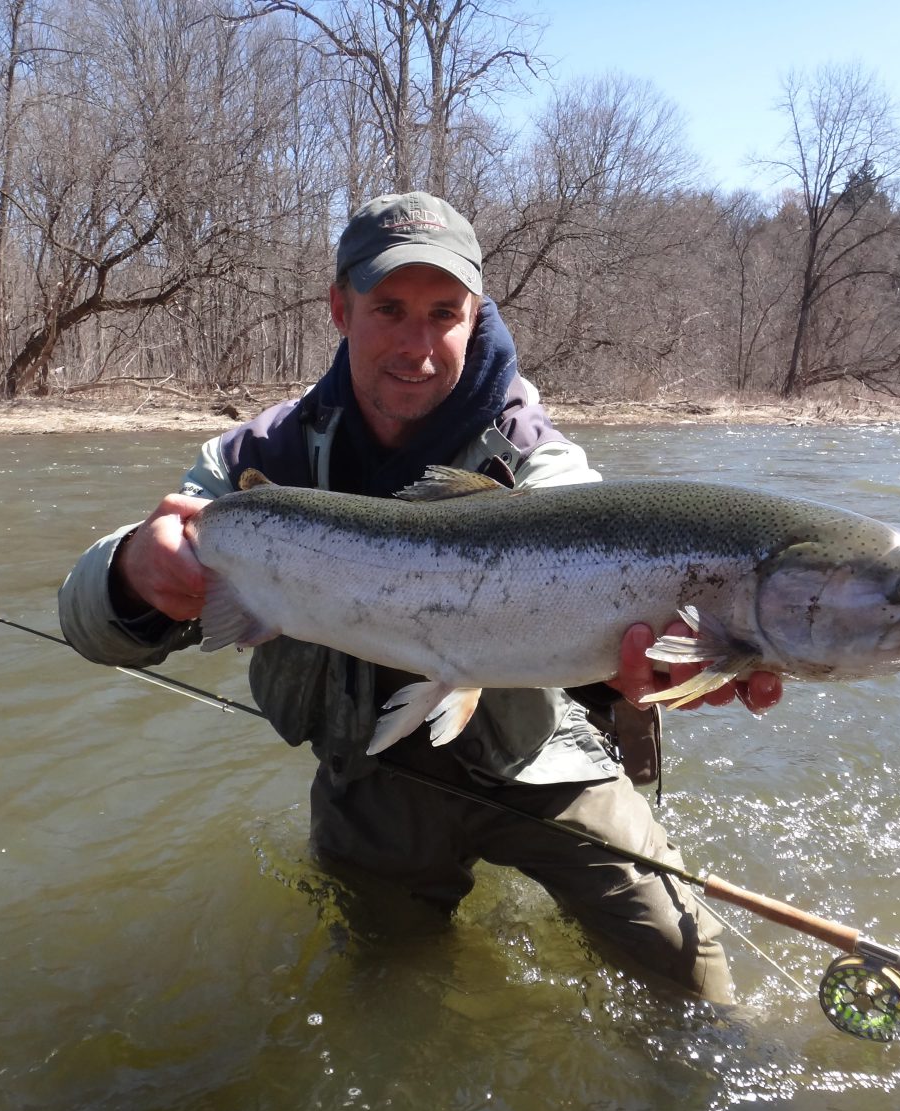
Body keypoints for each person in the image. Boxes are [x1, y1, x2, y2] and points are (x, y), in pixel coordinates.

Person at [58, 191, 781, 1003]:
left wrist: (658, 666)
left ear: (478, 314)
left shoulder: (533, 455)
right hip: (370, 776)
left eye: (444, 312)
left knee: (692, 981)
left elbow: (598, 530)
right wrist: (130, 572)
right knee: (384, 998)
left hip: (539, 756)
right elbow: (89, 625)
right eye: (390, 310)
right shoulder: (259, 457)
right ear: (339, 306)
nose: (418, 345)